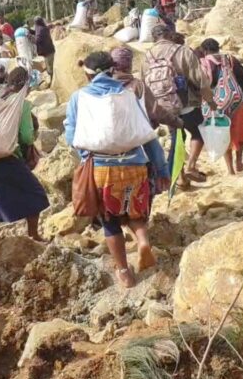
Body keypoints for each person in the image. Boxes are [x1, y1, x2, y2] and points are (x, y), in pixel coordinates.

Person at [65, 52, 168, 289]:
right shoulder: (128, 95)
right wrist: (161, 169)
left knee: (110, 221)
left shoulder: (78, 98)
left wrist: (86, 156)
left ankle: (124, 272)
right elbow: (147, 136)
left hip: (102, 170)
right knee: (135, 212)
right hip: (135, 166)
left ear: (87, 74)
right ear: (113, 70)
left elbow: (72, 136)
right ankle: (142, 241)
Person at [0, 67, 49, 260]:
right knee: (36, 193)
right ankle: (33, 234)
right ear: (25, 85)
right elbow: (25, 136)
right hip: (6, 158)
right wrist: (33, 137)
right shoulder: (21, 105)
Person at [143, 23, 214, 188]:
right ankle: (191, 166)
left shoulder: (147, 57)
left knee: (177, 139)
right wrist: (210, 101)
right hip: (186, 103)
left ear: (154, 38)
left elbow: (143, 86)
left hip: (164, 108)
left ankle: (181, 178)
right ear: (168, 35)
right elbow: (200, 79)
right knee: (198, 132)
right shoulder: (182, 51)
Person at [198, 39, 243, 175]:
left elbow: (201, 85)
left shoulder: (203, 63)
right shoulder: (230, 59)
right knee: (240, 133)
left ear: (204, 50)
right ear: (218, 48)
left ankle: (230, 169)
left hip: (216, 105)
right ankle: (239, 163)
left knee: (223, 133)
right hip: (236, 101)